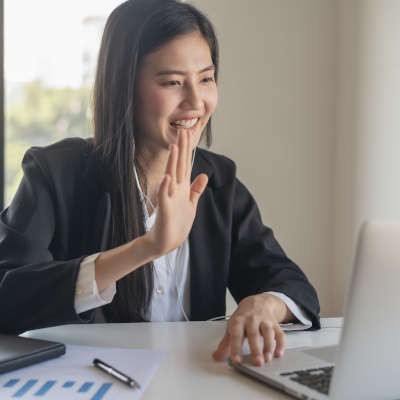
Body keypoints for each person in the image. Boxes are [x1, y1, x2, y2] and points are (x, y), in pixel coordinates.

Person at [0, 0, 320, 366]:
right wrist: (148, 247)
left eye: (206, 78)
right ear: (125, 86)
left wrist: (266, 304)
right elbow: (7, 298)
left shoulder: (219, 183)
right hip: (90, 381)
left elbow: (292, 285)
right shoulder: (55, 173)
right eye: (172, 82)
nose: (196, 101)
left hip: (192, 380)